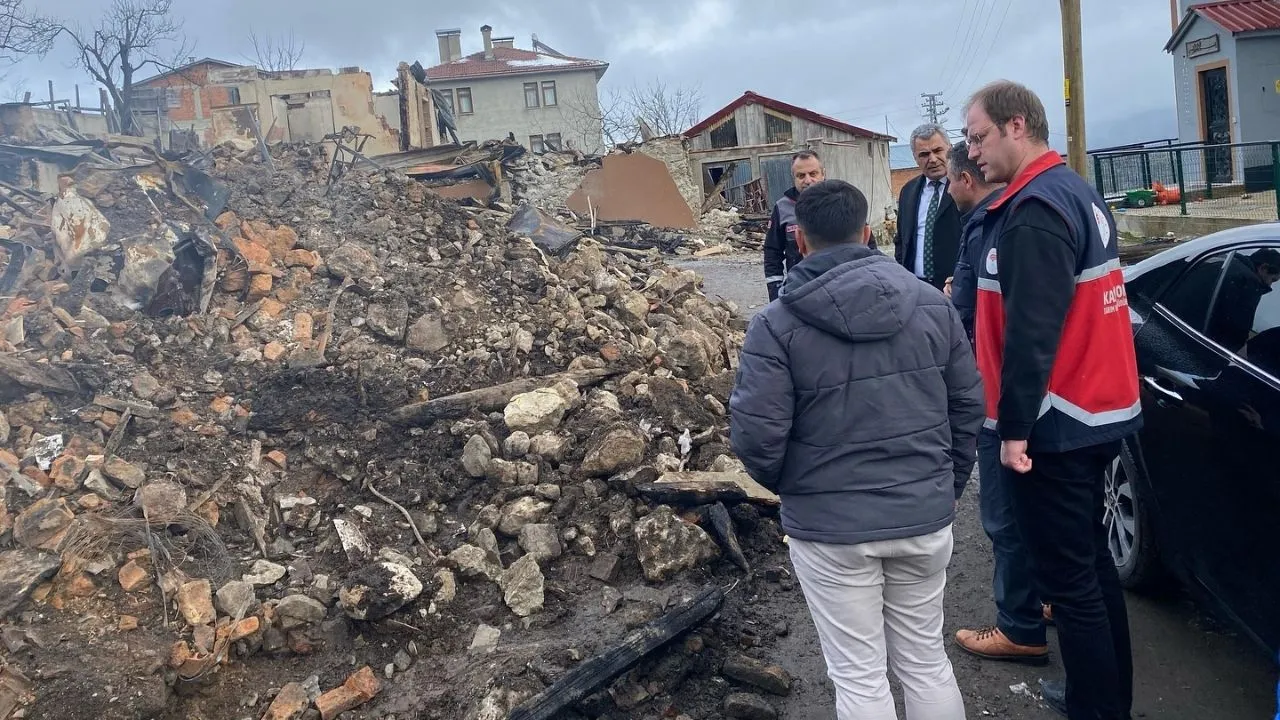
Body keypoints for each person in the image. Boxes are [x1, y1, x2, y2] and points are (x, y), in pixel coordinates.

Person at [730, 179, 983, 720]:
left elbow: (757, 437)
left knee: (859, 676)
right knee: (925, 659)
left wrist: (803, 490)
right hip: (922, 515)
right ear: (868, 233)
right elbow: (967, 410)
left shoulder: (774, 327)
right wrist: (942, 486)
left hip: (830, 529)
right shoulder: (931, 308)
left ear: (800, 241)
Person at [964, 80, 1143, 720]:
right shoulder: (1074, 191)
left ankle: (1096, 708)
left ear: (1017, 126)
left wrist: (1013, 432)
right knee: (1091, 569)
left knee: (1072, 584)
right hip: (1093, 412)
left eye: (978, 136)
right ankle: (1103, 699)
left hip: (1057, 421)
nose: (972, 151)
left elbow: (1031, 334)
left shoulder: (1034, 209)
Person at [943, 141, 1051, 666]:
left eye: (949, 178)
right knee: (1036, 506)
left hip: (997, 393)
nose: (945, 188)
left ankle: (1019, 625)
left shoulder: (990, 225)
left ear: (968, 177)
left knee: (1003, 516)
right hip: (1032, 394)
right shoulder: (1016, 215)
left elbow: (970, 308)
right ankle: (1044, 598)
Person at [894, 123, 962, 291]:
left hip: (954, 287)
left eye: (938, 151)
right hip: (916, 287)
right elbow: (902, 239)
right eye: (924, 154)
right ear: (915, 157)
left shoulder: (965, 187)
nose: (932, 159)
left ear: (950, 149)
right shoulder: (908, 191)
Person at [764, 150, 826, 302]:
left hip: (838, 289)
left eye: (813, 174)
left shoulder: (841, 201)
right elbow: (772, 252)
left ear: (823, 174)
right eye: (801, 175)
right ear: (794, 178)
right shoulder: (782, 208)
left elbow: (866, 245)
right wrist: (775, 292)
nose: (808, 180)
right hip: (799, 292)